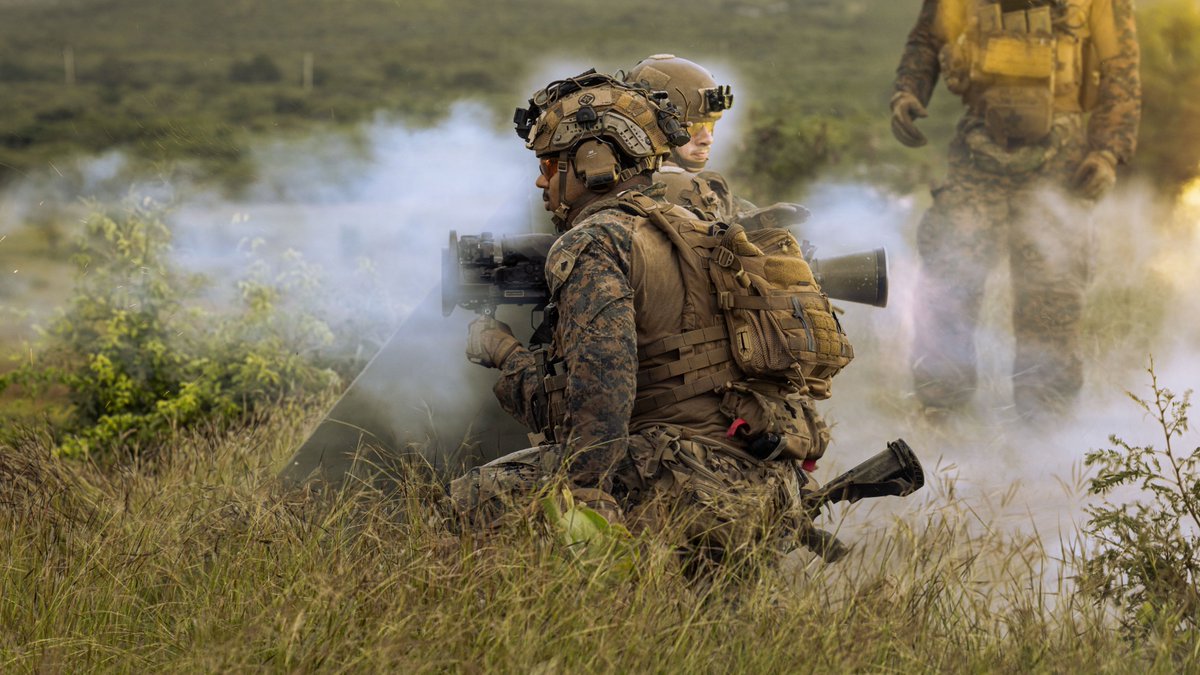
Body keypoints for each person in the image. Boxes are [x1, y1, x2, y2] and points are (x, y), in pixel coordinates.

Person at [452, 71, 853, 562]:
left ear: (593, 163)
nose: (541, 179)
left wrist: (504, 353)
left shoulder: (596, 242)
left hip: (687, 484)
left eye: (550, 164)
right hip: (764, 484)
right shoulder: (701, 225)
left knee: (471, 501)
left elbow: (598, 410)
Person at [891, 0, 1140, 418]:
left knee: (1052, 293)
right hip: (978, 151)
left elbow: (1121, 69)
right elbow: (927, 39)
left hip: (1061, 161)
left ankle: (1045, 423)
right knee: (949, 280)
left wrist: (1108, 151)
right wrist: (908, 91)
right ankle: (940, 411)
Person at [624, 54, 808, 231]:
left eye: (709, 126)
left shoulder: (709, 188)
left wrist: (756, 221)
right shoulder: (640, 189)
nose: (707, 139)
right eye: (692, 128)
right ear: (651, 128)